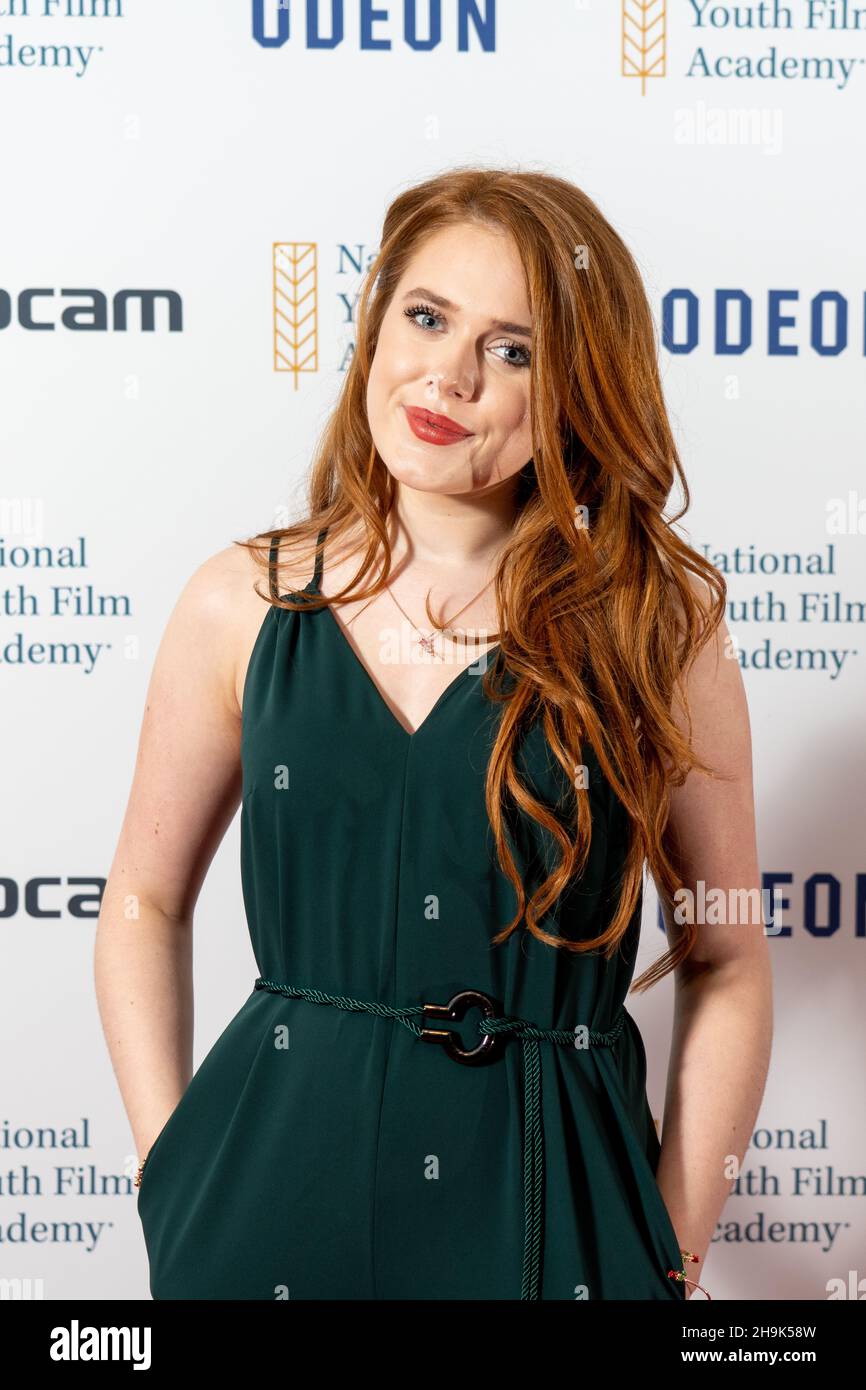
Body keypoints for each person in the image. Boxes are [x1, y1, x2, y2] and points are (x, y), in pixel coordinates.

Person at [94, 165, 772, 1301]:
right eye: (426, 317)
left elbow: (728, 955)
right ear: (372, 326)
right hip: (266, 1203)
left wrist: (673, 1248)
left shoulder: (656, 627)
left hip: (558, 1208)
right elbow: (142, 904)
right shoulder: (239, 602)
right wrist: (174, 1175)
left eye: (513, 351)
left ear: (574, 391)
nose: (449, 375)